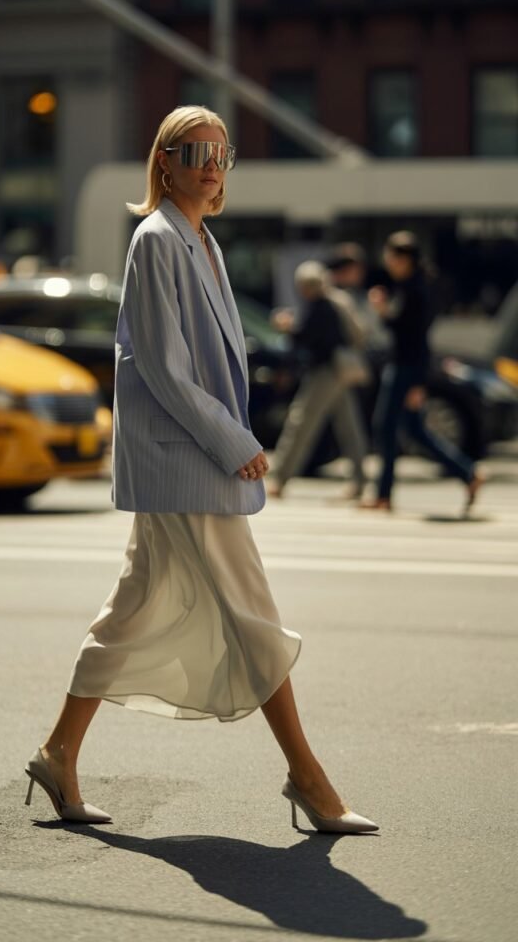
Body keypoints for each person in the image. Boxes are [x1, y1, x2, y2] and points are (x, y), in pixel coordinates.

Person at [23, 105, 377, 835]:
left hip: (187, 459)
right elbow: (163, 365)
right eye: (197, 152)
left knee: (128, 612)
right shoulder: (157, 240)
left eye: (223, 153)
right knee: (253, 613)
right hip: (183, 459)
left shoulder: (201, 240)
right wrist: (232, 440)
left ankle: (58, 754)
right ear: (166, 164)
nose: (214, 166)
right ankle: (308, 778)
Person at [362, 231, 484, 513]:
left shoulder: (415, 289)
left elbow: (414, 338)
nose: (388, 262)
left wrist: (418, 383)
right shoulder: (410, 286)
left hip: (406, 369)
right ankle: (468, 473)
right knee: (414, 431)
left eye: (392, 257)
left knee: (386, 427)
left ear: (405, 259)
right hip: (405, 366)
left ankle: (383, 495)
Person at [267, 261, 369, 501]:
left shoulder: (321, 306)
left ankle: (280, 478)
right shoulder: (333, 303)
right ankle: (360, 480)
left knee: (300, 423)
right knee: (349, 428)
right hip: (339, 373)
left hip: (325, 373)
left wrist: (288, 327)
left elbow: (309, 340)